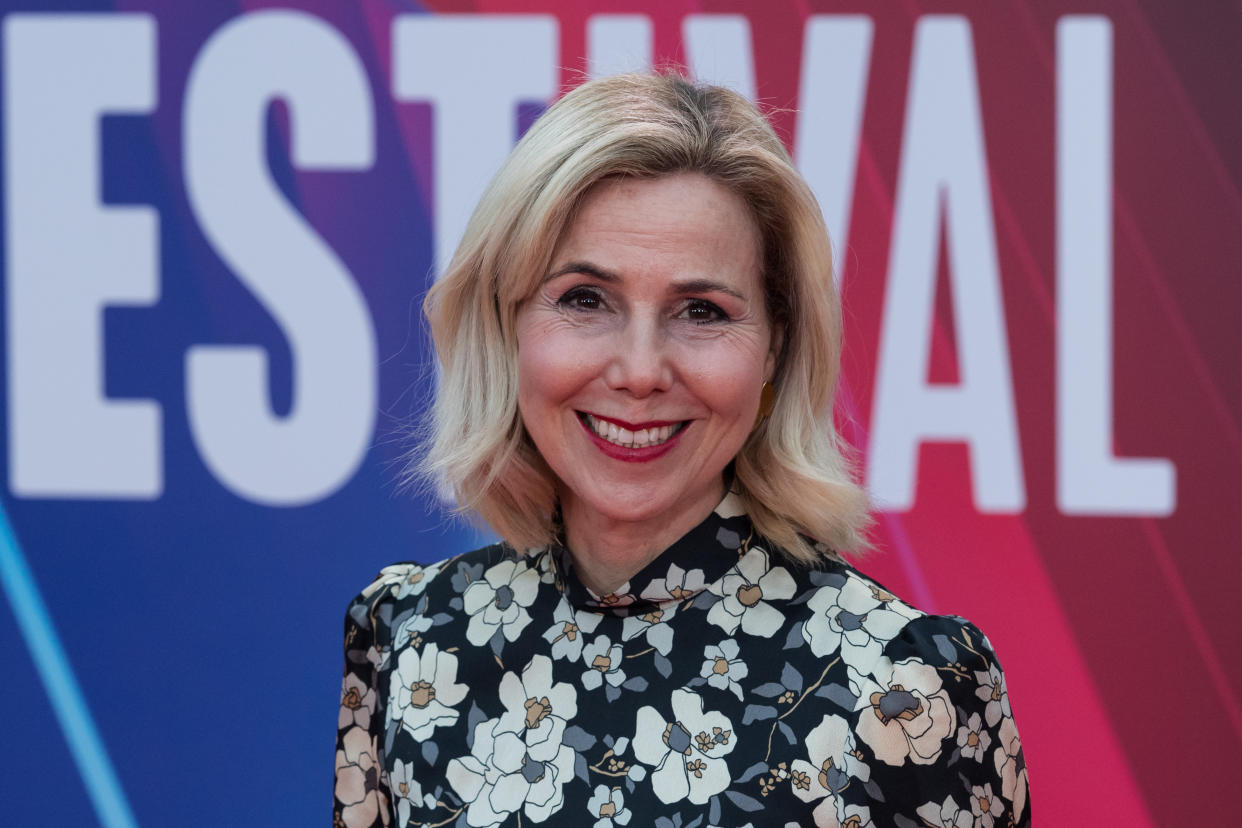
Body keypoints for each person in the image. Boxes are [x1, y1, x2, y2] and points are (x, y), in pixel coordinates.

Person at [333, 72, 1030, 828]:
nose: (638, 372)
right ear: (508, 325)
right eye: (584, 300)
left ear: (775, 348)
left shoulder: (909, 686)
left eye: (702, 311)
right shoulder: (412, 638)